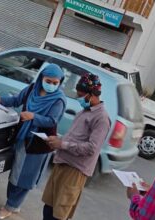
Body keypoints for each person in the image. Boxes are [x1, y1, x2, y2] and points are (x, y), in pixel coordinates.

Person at [0, 64, 67, 219]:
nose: (51, 85)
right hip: (23, 137)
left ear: (60, 82)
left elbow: (52, 121)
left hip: (38, 144)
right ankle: (14, 204)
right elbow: (16, 100)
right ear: (41, 78)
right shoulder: (32, 89)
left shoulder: (58, 100)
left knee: (24, 178)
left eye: (55, 83)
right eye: (48, 81)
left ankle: (10, 207)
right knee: (15, 174)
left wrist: (33, 117)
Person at [42, 73, 110, 220]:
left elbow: (91, 148)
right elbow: (74, 137)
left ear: (92, 95)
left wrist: (63, 144)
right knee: (48, 208)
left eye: (81, 95)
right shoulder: (84, 111)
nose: (79, 98)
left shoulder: (102, 119)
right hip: (61, 163)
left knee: (59, 214)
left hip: (75, 170)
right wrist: (58, 140)